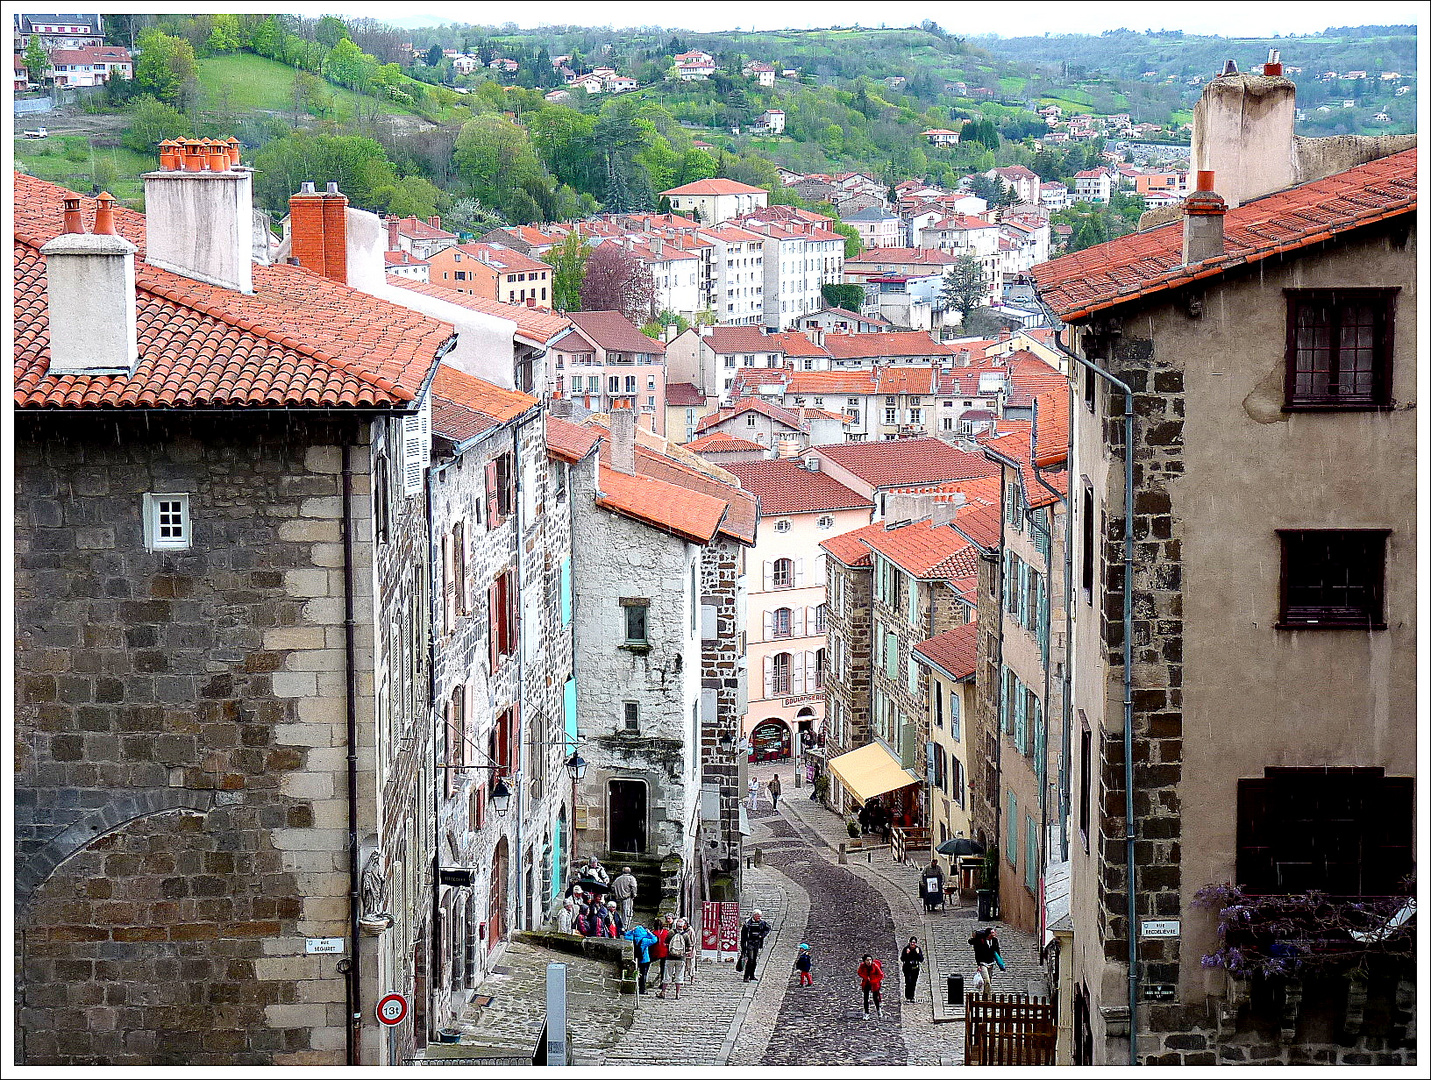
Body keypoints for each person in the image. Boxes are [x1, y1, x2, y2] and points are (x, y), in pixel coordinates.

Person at [664, 917, 695, 1000]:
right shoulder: (685, 935)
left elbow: (665, 943)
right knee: (679, 976)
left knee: (667, 975)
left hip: (670, 957)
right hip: (681, 958)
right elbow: (689, 947)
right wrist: (685, 952)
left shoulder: (671, 933)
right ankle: (677, 993)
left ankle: (663, 992)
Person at [738, 909, 772, 983]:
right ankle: (746, 976)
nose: (759, 918)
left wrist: (761, 935)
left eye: (760, 917)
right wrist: (743, 947)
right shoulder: (747, 924)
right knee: (750, 959)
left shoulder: (762, 923)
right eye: (758, 916)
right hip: (749, 943)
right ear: (754, 916)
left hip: (757, 943)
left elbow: (768, 928)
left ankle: (752, 975)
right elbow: (743, 936)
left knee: (754, 960)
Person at [625, 923, 658, 994]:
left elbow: (626, 935)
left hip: (635, 958)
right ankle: (642, 989)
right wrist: (649, 933)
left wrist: (631, 931)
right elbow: (655, 939)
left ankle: (634, 987)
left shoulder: (632, 938)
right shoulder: (645, 940)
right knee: (643, 974)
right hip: (644, 959)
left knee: (635, 973)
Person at [970, 926, 1001, 995]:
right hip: (983, 963)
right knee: (986, 981)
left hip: (991, 962)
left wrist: (1000, 962)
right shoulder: (981, 941)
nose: (994, 933)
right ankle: (989, 997)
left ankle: (985, 995)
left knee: (989, 981)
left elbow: (997, 951)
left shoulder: (994, 940)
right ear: (988, 934)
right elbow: (977, 953)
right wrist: (978, 964)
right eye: (992, 932)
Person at [651, 914, 673, 995]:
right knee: (663, 968)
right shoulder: (667, 932)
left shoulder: (653, 933)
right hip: (665, 952)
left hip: (655, 952)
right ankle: (662, 983)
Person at [900, 937, 925, 1002]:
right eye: (911, 942)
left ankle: (912, 996)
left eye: (914, 942)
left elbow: (921, 959)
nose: (912, 944)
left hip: (915, 968)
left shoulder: (917, 949)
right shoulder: (906, 949)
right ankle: (908, 996)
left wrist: (918, 953)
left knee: (913, 983)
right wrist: (907, 954)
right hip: (907, 968)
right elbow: (902, 959)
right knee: (908, 982)